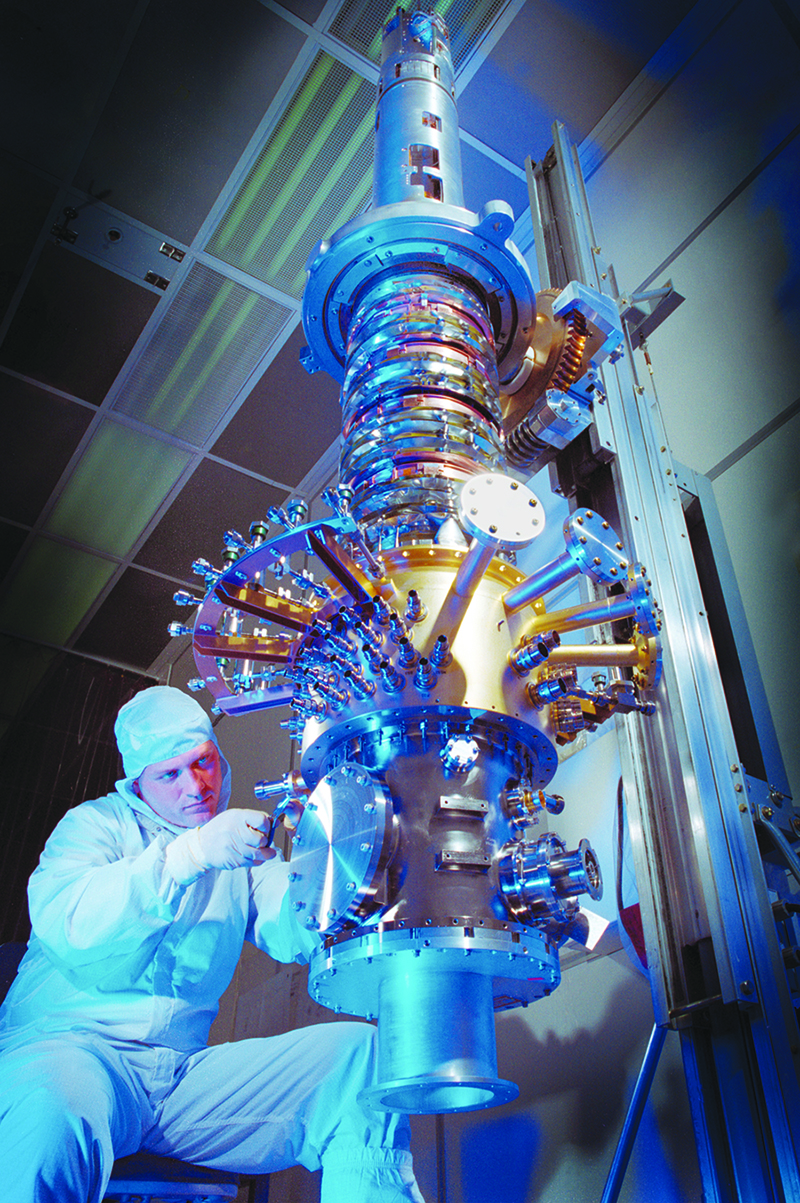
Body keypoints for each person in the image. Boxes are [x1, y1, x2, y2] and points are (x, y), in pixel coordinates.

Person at [0, 685, 424, 1203]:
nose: (196, 786)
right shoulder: (96, 826)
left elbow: (295, 926)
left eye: (203, 762)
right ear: (138, 782)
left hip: (176, 1078)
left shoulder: (238, 845)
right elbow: (73, 924)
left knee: (359, 1060)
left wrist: (338, 866)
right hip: (71, 1050)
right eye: (170, 774)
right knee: (54, 1110)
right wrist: (189, 855)